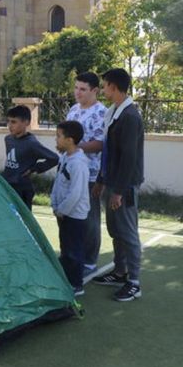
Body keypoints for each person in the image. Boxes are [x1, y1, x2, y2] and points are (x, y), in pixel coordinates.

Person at [92, 68, 145, 302]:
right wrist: (102, 180)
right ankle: (120, 271)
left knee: (128, 233)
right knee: (116, 231)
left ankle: (134, 282)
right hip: (112, 182)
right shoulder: (114, 112)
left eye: (104, 85)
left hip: (124, 186)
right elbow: (109, 152)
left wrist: (120, 191)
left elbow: (128, 158)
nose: (103, 89)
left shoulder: (130, 116)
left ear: (114, 86)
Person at [65, 72, 107, 281]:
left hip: (90, 175)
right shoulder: (73, 110)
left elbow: (100, 144)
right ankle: (72, 256)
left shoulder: (101, 113)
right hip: (70, 174)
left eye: (82, 89)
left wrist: (74, 146)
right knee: (71, 217)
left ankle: (89, 261)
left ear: (95, 91)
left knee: (90, 219)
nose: (77, 92)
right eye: (76, 88)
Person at [51, 120, 90, 296]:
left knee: (74, 251)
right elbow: (58, 183)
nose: (56, 139)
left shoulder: (79, 163)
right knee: (66, 248)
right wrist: (54, 203)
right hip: (63, 214)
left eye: (59, 136)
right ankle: (66, 279)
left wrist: (62, 210)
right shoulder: (66, 157)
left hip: (74, 216)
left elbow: (76, 193)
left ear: (70, 140)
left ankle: (76, 285)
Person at [1, 106, 59, 210]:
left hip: (22, 188)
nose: (9, 125)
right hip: (7, 185)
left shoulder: (31, 143)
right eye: (8, 121)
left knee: (23, 219)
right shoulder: (8, 139)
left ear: (26, 123)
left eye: (14, 122)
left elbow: (54, 158)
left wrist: (34, 168)